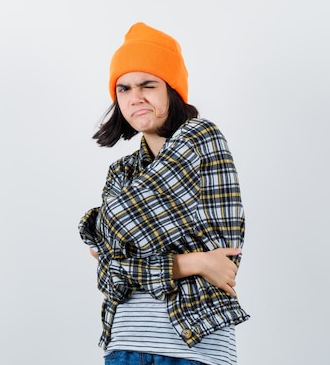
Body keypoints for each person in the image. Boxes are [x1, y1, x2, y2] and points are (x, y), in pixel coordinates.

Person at [78, 22, 250, 365]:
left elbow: (117, 225)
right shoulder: (121, 171)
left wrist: (115, 244)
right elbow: (110, 275)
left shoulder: (202, 138)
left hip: (194, 346)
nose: (135, 97)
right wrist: (195, 262)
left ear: (172, 89)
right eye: (123, 89)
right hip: (125, 342)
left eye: (147, 85)